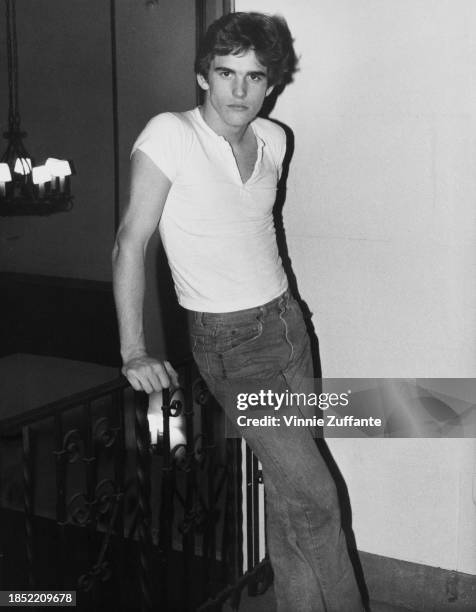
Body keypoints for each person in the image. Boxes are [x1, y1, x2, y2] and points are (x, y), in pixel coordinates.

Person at [112, 11, 364, 612]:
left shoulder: (277, 139)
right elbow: (129, 242)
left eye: (254, 77)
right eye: (226, 73)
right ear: (204, 75)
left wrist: (290, 315)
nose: (239, 91)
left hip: (289, 326)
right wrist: (133, 349)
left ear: (271, 84)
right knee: (319, 500)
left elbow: (256, 230)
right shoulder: (169, 134)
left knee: (287, 500)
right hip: (231, 346)